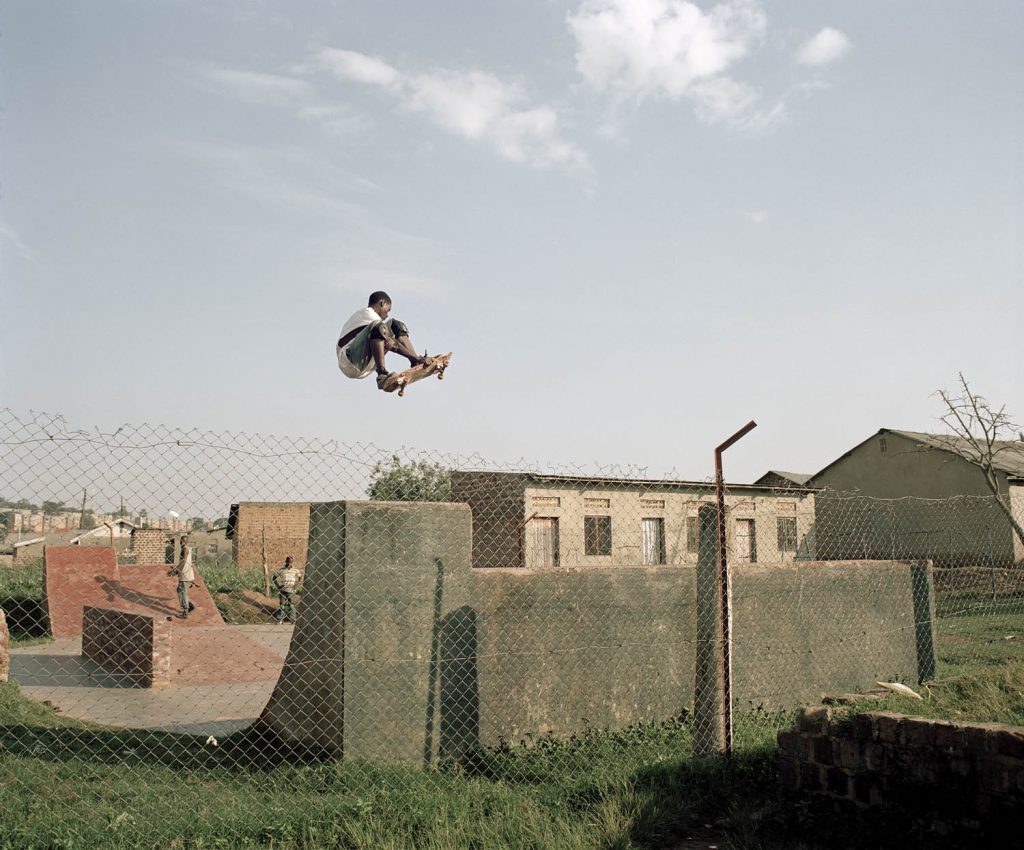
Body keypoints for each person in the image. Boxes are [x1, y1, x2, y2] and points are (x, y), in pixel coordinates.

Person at [336, 291, 430, 390]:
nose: (387, 315)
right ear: (382, 303)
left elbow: (381, 342)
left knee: (396, 325)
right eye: (388, 310)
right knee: (380, 328)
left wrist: (414, 358)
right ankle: (382, 375)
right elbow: (389, 343)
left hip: (359, 361)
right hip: (349, 361)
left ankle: (416, 363)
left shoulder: (366, 321)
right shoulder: (368, 314)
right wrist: (413, 357)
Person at [273, 556, 302, 624]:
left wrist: (295, 585)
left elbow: (299, 578)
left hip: (291, 589)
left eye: (290, 562)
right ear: (285, 562)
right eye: (288, 562)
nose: (289, 564)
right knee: (282, 605)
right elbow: (274, 578)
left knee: (291, 605)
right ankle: (280, 619)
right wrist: (278, 585)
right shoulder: (281, 570)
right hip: (283, 589)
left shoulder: (295, 570)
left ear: (292, 563)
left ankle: (293, 619)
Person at [173, 534, 196, 619]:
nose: (180, 542)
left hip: (185, 575)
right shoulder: (188, 548)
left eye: (181, 541)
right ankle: (188, 605)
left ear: (183, 541)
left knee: (182, 592)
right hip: (187, 574)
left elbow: (184, 561)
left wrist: (176, 570)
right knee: (180, 590)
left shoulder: (185, 549)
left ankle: (185, 611)